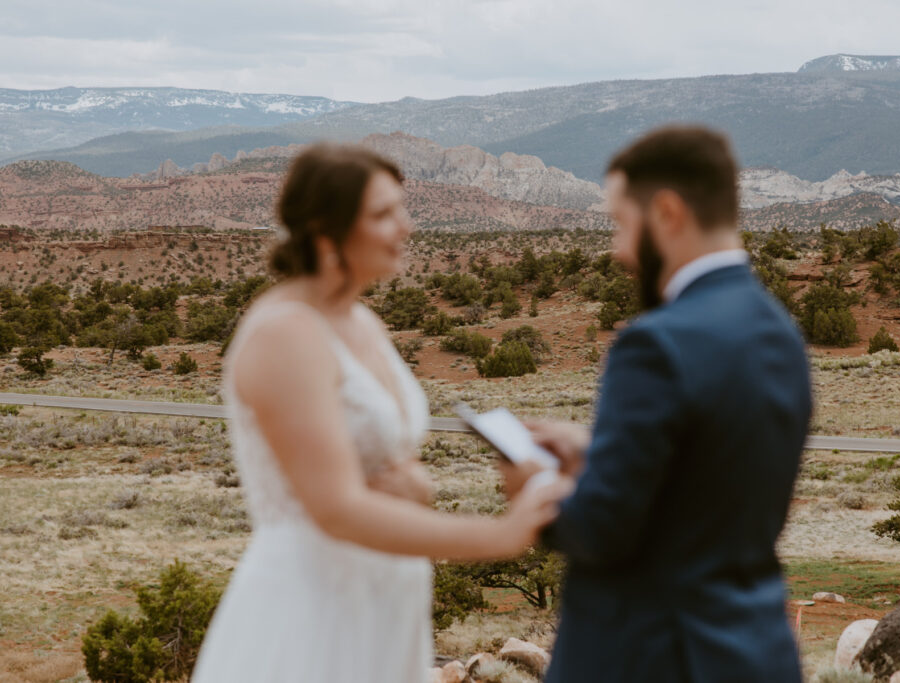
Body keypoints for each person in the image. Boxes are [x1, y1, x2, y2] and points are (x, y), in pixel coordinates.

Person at [191, 143, 571, 683]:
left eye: (401, 208)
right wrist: (503, 536)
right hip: (312, 606)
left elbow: (389, 464)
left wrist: (414, 484)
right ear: (327, 230)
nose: (407, 227)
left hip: (385, 599)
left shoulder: (362, 322)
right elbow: (337, 509)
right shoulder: (286, 334)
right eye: (383, 214)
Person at [507, 126, 812, 682]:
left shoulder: (655, 343)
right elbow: (711, 485)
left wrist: (534, 483)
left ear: (667, 213)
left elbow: (599, 529)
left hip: (648, 655)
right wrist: (598, 453)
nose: (619, 250)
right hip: (753, 653)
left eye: (622, 224)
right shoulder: (778, 330)